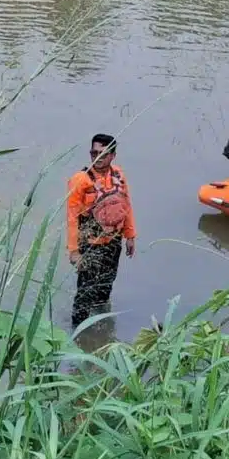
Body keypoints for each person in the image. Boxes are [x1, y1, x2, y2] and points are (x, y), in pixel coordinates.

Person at [65, 133, 136, 328]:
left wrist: (130, 236)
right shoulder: (80, 180)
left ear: (112, 155)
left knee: (106, 285)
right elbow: (72, 218)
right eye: (93, 153)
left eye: (102, 154)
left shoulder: (119, 175)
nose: (97, 157)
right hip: (89, 245)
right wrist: (74, 251)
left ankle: (102, 327)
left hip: (113, 242)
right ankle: (79, 334)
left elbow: (126, 206)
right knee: (85, 293)